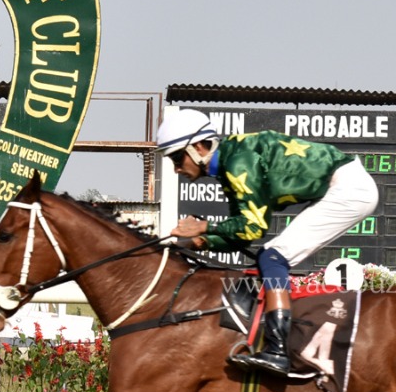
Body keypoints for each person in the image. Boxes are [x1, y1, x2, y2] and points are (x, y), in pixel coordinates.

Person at [157, 107, 379, 375]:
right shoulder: (230, 163)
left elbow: (253, 227)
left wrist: (204, 227)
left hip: (350, 190)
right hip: (344, 185)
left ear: (198, 148)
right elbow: (242, 236)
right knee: (269, 255)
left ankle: (277, 350)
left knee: (272, 256)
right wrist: (202, 242)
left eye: (177, 157)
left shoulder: (238, 163)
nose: (176, 168)